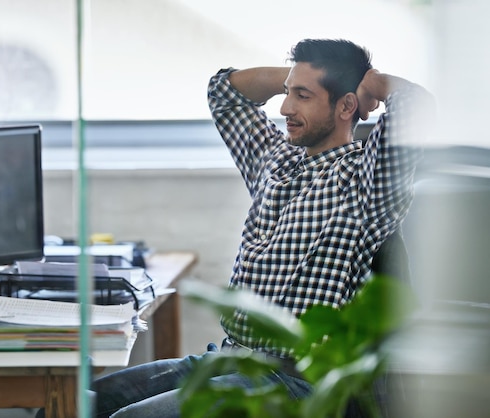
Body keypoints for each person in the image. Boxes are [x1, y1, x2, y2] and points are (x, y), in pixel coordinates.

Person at [36, 38, 434, 418]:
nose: (284, 108)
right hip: (230, 359)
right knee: (69, 406)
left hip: (293, 381)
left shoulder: (365, 182)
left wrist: (369, 83)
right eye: (288, 93)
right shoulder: (274, 158)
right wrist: (297, 76)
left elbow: (417, 106)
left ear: (346, 106)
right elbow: (224, 92)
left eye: (303, 96)